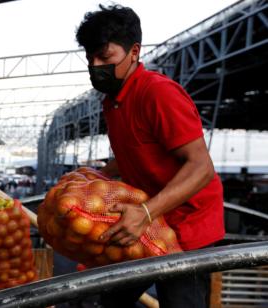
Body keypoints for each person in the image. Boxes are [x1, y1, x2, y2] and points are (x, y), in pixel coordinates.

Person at [75, 5, 224, 308]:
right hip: (149, 219)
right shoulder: (113, 102)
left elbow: (201, 168)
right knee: (111, 297)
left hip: (186, 226)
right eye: (90, 58)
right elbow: (136, 153)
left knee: (180, 301)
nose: (95, 66)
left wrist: (145, 213)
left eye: (105, 57)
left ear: (134, 52)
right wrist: (98, 174)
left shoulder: (158, 94)